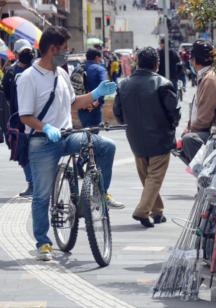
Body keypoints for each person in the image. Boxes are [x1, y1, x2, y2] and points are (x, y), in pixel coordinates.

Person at [17, 26, 124, 261]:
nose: (67, 53)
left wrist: (96, 93)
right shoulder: (28, 78)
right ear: (52, 49)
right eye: (65, 49)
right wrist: (45, 127)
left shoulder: (62, 74)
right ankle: (43, 242)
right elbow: (25, 116)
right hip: (43, 142)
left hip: (67, 135)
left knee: (106, 146)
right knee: (42, 195)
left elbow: (74, 102)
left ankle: (97, 193)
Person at [113, 47, 180, 228]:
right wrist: (172, 126)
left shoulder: (124, 84)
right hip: (160, 137)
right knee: (154, 177)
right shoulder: (163, 83)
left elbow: (117, 112)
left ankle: (157, 212)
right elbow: (173, 111)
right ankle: (142, 211)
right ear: (156, 64)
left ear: (137, 62)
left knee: (147, 178)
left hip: (135, 137)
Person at [2, 39, 35, 196]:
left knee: (23, 152)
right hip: (34, 118)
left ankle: (33, 184)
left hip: (20, 118)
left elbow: (7, 96)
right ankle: (35, 184)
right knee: (27, 151)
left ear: (15, 54)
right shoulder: (38, 70)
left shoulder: (10, 73)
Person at [79, 48, 108, 128]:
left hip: (81, 105)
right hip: (94, 106)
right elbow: (105, 86)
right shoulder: (100, 69)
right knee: (93, 135)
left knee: (85, 131)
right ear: (97, 57)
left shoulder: (78, 69)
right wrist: (98, 102)